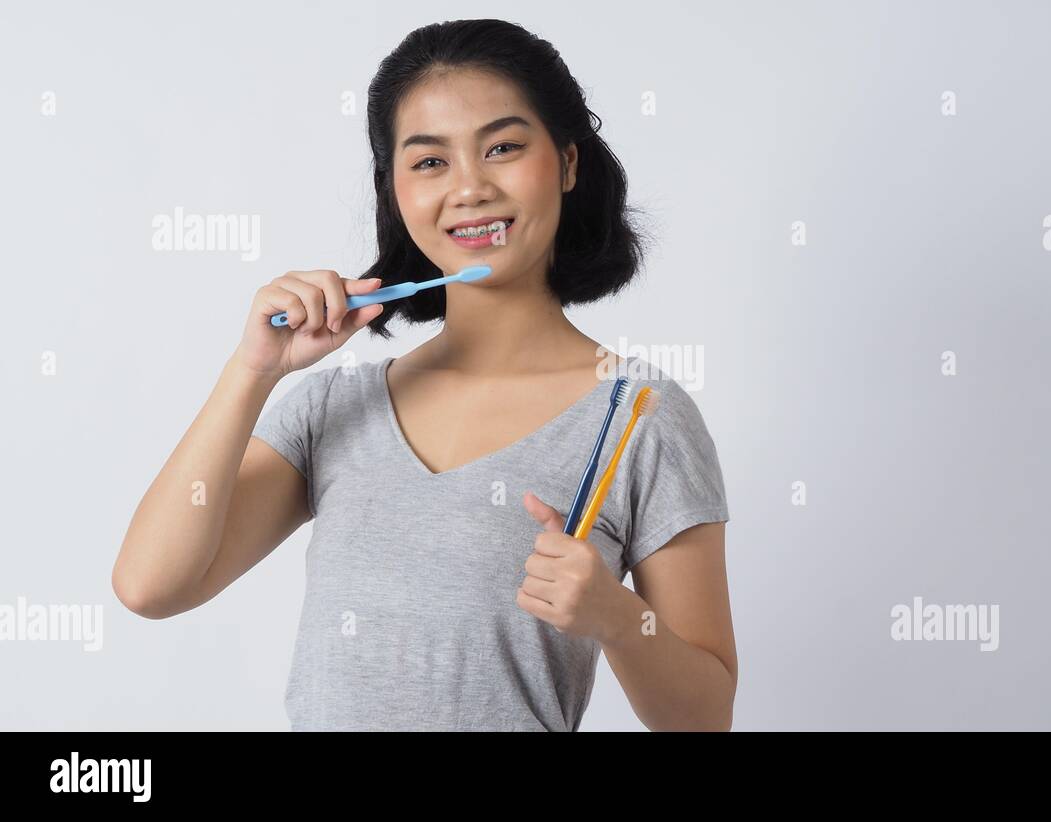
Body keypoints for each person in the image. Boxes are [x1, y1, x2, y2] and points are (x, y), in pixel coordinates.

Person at [113, 19, 736, 731]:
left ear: (567, 163)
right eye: (430, 162)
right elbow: (148, 586)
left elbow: (706, 718)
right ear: (396, 191)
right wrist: (252, 371)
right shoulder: (333, 408)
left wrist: (622, 622)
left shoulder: (639, 416)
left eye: (503, 147)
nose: (470, 188)